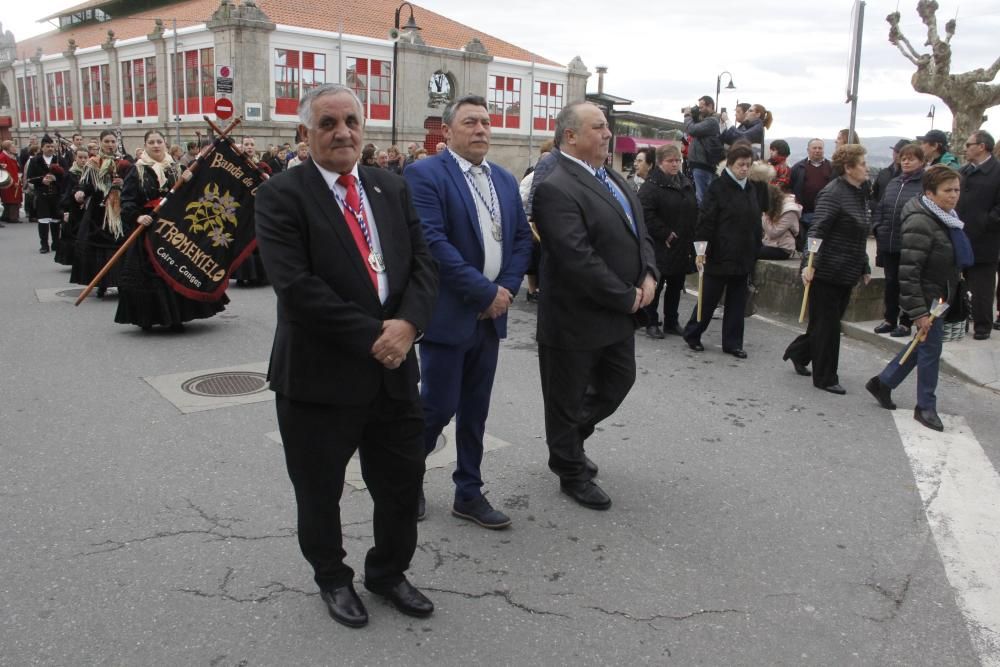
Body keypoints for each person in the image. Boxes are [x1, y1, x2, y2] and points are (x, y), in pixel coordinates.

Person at [255, 83, 439, 629]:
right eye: (328, 123)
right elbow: (297, 288)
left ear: (365, 127)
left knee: (401, 485)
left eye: (351, 121)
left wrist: (408, 325)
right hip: (318, 379)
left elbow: (423, 264)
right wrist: (376, 337)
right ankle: (332, 578)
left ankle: (388, 572)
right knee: (319, 492)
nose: (343, 132)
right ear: (305, 134)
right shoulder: (280, 196)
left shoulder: (390, 187)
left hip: (395, 373)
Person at [404, 95, 533, 528]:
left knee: (476, 409)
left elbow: (520, 242)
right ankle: (407, 479)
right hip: (450, 314)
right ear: (448, 131)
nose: (481, 129)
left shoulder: (503, 178)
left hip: (492, 314)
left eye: (486, 122)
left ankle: (469, 492)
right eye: (471, 122)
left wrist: (505, 291)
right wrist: (483, 293)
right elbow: (433, 244)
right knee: (436, 408)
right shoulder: (425, 174)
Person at [532, 101, 658, 510]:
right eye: (599, 127)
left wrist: (650, 273)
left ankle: (568, 441)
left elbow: (641, 235)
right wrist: (626, 296)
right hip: (575, 320)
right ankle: (570, 469)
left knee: (617, 382)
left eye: (608, 127)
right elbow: (576, 257)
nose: (608, 134)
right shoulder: (555, 186)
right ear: (571, 136)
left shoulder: (614, 179)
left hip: (617, 314)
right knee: (565, 399)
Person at [867, 165, 970, 432]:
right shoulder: (921, 221)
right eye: (947, 190)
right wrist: (919, 313)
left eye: (957, 190)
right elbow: (909, 272)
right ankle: (925, 406)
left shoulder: (947, 217)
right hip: (928, 299)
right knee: (930, 350)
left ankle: (884, 382)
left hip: (941, 294)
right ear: (930, 192)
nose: (954, 195)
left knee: (922, 345)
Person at [114, 130, 229, 331]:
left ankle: (177, 316)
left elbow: (190, 198)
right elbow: (127, 200)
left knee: (175, 268)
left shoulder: (176, 168)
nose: (156, 145)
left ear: (165, 144)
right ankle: (146, 318)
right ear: (145, 145)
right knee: (148, 272)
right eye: (151, 142)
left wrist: (189, 180)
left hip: (172, 227)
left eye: (159, 141)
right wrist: (137, 216)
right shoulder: (137, 170)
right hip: (148, 227)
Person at [782, 144, 872, 393]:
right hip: (827, 270)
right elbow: (817, 231)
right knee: (828, 327)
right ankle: (825, 377)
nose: (867, 168)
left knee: (825, 323)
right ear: (849, 168)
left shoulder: (860, 192)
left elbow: (860, 234)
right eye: (863, 164)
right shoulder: (832, 193)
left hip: (848, 269)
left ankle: (799, 353)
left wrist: (864, 264)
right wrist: (808, 264)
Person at [682, 144, 761, 357]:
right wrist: (701, 249)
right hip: (719, 252)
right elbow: (706, 220)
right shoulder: (717, 187)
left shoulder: (751, 188)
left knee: (737, 301)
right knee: (708, 298)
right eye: (740, 165)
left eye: (748, 165)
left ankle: (733, 343)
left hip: (742, 253)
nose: (744, 169)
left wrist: (756, 247)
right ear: (730, 164)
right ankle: (693, 333)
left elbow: (755, 221)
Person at [639, 144, 697, 337]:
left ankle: (671, 321)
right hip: (660, 243)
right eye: (670, 161)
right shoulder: (651, 186)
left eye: (678, 160)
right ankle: (651, 321)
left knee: (676, 284)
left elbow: (693, 209)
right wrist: (664, 233)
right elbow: (645, 214)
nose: (675, 164)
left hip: (681, 243)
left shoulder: (685, 183)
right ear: (660, 162)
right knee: (657, 283)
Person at [872, 142, 925, 337]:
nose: (906, 162)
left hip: (911, 243)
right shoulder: (894, 183)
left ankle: (905, 322)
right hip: (889, 241)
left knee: (908, 284)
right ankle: (889, 319)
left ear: (921, 161)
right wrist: (878, 227)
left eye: (911, 159)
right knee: (891, 283)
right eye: (903, 158)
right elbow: (881, 207)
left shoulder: (924, 184)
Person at [72, 130, 127, 297]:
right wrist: (80, 192)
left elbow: (134, 185)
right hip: (99, 211)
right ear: (101, 143)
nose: (110, 144)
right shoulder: (93, 163)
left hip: (119, 210)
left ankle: (121, 282)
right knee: (99, 248)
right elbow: (86, 184)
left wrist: (123, 183)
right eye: (107, 141)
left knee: (120, 246)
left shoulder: (124, 163)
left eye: (113, 141)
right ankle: (101, 283)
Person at [956, 130, 1000, 340]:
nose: (965, 148)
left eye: (968, 144)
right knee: (958, 283)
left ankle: (982, 325)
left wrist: (985, 222)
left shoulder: (997, 171)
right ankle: (959, 319)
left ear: (981, 146)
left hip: (985, 240)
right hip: (960, 236)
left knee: (982, 286)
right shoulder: (963, 172)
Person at [790, 139, 835, 249]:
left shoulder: (832, 168)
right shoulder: (798, 167)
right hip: (804, 212)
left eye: (820, 148)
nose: (817, 151)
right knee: (807, 241)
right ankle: (808, 259)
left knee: (822, 240)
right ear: (808, 150)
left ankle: (818, 258)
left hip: (825, 212)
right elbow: (792, 187)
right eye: (814, 148)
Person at [24, 136, 65, 253]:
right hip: (42, 194)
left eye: (52, 146)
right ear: (42, 148)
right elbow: (30, 178)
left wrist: (56, 178)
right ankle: (44, 244)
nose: (50, 149)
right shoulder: (35, 160)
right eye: (48, 146)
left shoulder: (59, 160)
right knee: (43, 220)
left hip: (56, 195)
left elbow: (65, 175)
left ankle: (56, 243)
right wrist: (42, 180)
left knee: (56, 220)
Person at [683, 95, 723, 204]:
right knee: (701, 195)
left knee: (702, 197)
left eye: (701, 107)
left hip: (703, 164)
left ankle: (703, 219)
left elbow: (692, 129)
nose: (699, 110)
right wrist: (694, 115)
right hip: (700, 164)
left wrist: (687, 115)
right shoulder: (706, 120)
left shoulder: (712, 121)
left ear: (710, 106)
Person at [55, 149, 89, 266]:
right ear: (75, 158)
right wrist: (63, 211)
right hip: (72, 208)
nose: (83, 160)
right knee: (73, 234)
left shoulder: (90, 173)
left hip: (86, 208)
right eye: (80, 157)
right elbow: (64, 193)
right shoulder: (70, 174)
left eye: (85, 158)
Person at [758, 182, 801, 260]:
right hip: (768, 243)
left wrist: (764, 212)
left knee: (751, 251)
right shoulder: (774, 207)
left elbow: (774, 232)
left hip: (782, 248)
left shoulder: (790, 211)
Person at [871, 139, 911, 209]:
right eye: (896, 151)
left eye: (901, 153)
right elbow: (874, 195)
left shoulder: (911, 176)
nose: (898, 155)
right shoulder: (883, 173)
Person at [0, 140, 23, 224]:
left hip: (15, 180)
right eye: (12, 146)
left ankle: (6, 216)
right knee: (11, 200)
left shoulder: (12, 156)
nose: (14, 148)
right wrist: (12, 182)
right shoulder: (2, 157)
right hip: (8, 183)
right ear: (7, 148)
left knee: (13, 199)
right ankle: (12, 217)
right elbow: (4, 172)